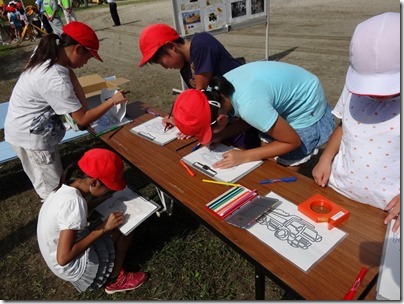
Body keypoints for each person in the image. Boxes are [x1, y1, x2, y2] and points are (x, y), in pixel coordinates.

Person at [4, 21, 129, 202]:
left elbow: (75, 90)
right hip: (32, 139)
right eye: (88, 57)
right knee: (53, 190)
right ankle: (64, 222)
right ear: (78, 49)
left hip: (28, 130)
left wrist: (83, 104)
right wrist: (112, 101)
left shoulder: (48, 54)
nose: (86, 63)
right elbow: (82, 120)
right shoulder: (55, 79)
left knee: (54, 181)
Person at [312, 12, 400, 233]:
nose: (375, 94)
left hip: (387, 211)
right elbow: (344, 126)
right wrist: (325, 158)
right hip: (339, 190)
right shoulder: (354, 86)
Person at [172, 60, 335, 171]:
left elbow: (292, 141)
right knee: (268, 150)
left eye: (210, 131)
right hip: (289, 87)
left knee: (288, 164)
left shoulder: (249, 105)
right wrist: (221, 134)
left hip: (306, 101)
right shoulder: (217, 89)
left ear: (221, 119)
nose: (209, 137)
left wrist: (244, 156)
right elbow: (252, 119)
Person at [37, 148, 148, 294]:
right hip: (73, 268)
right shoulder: (74, 202)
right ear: (94, 182)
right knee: (126, 227)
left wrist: (100, 201)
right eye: (109, 187)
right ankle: (115, 279)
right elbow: (63, 258)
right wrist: (104, 228)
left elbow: (68, 215)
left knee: (113, 226)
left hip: (55, 258)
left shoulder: (66, 187)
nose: (110, 191)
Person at [138, 23, 261, 149]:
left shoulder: (201, 43)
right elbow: (199, 108)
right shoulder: (185, 70)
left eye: (161, 62)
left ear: (171, 46)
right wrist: (183, 122)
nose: (165, 67)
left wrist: (188, 122)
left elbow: (199, 97)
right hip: (223, 122)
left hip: (248, 114)